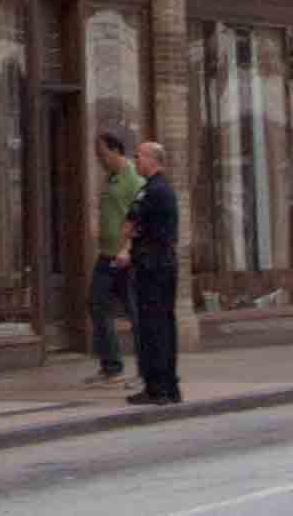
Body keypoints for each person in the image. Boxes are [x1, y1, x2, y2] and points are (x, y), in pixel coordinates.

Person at [124, 138, 184, 405]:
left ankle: (156, 387)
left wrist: (133, 235)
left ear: (152, 160)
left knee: (152, 326)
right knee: (166, 324)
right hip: (165, 263)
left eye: (139, 156)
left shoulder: (151, 191)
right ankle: (169, 385)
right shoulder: (166, 189)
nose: (136, 160)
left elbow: (129, 226)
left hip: (152, 265)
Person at [89, 130, 142, 376]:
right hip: (107, 254)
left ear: (116, 151)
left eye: (103, 154)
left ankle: (148, 367)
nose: (100, 159)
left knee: (135, 311)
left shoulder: (134, 179)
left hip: (125, 257)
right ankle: (111, 365)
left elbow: (141, 220)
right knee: (97, 303)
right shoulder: (110, 178)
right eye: (97, 155)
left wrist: (128, 249)